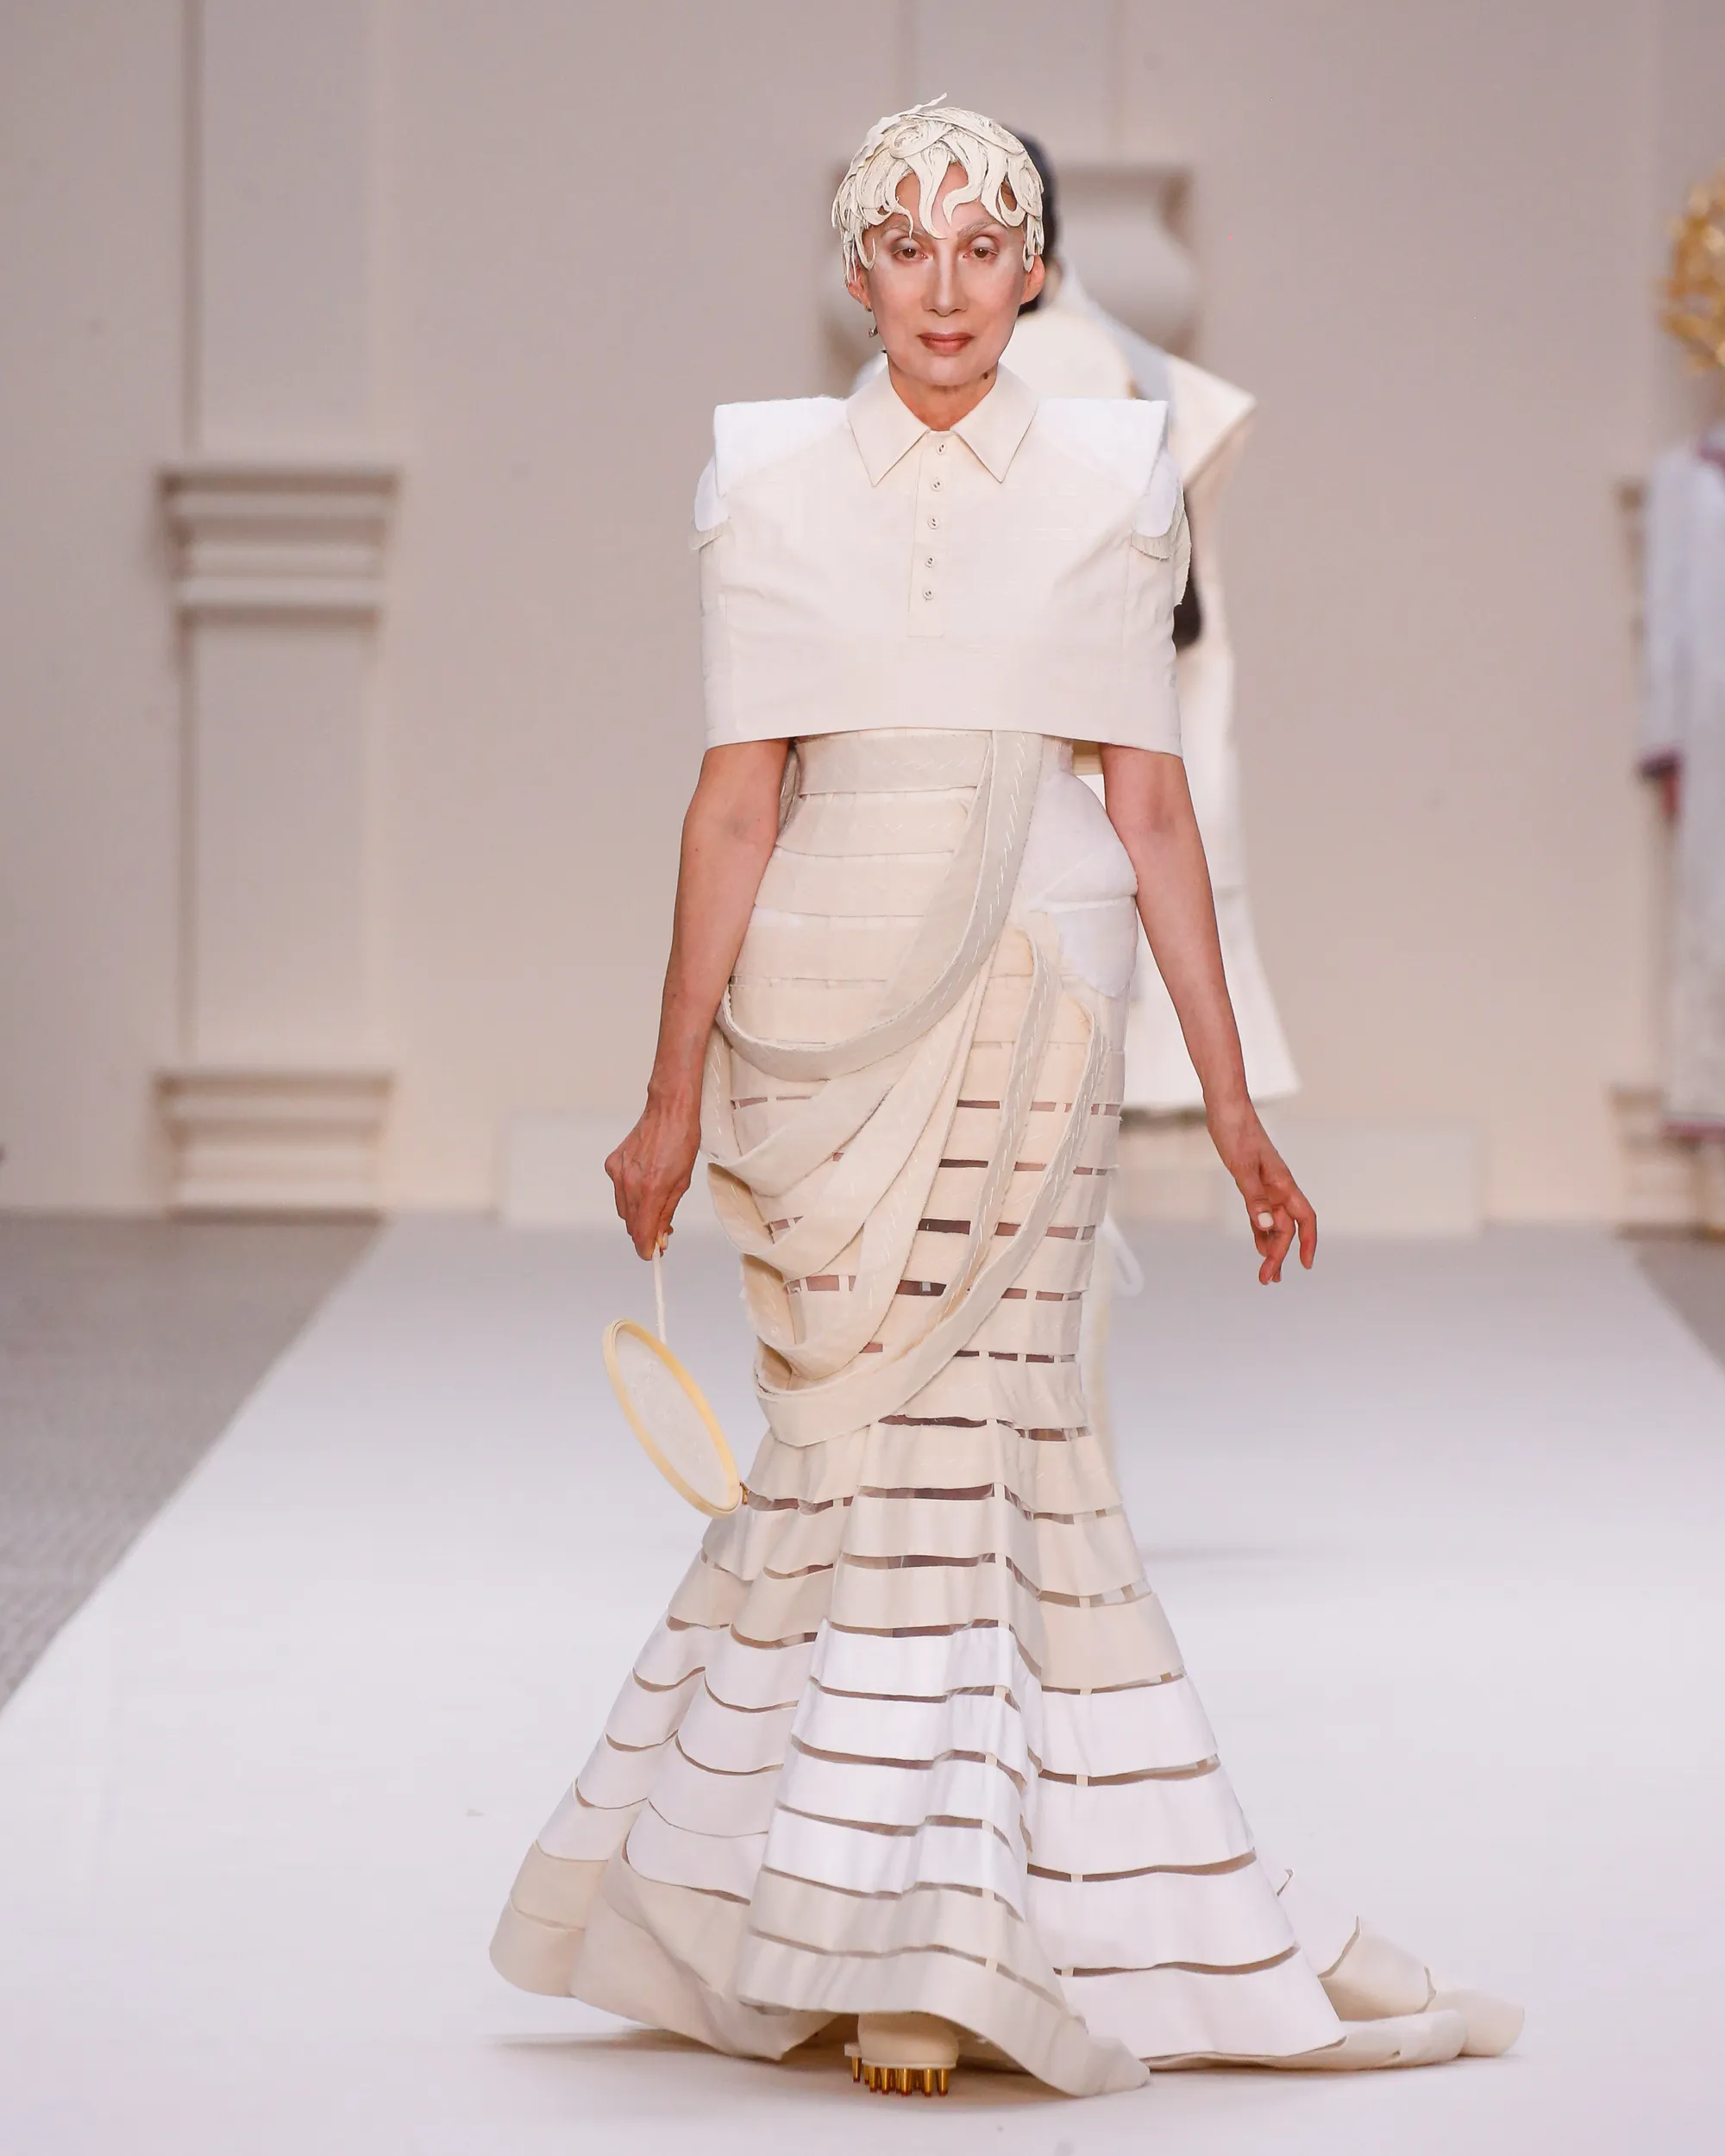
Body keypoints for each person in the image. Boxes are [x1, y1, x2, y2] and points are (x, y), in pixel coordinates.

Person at [491, 102, 1521, 2098]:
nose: (947, 285)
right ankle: (848, 1903)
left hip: (1044, 990)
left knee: (993, 1443)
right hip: (824, 1001)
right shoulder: (766, 483)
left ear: (1037, 271)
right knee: (849, 1453)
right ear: (855, 272)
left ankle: (941, 1932)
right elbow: (733, 802)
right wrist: (666, 1090)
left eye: (984, 245)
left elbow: (1151, 808)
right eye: (909, 245)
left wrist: (1232, 1105)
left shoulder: (1111, 485)